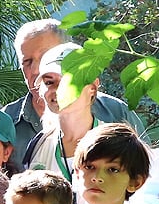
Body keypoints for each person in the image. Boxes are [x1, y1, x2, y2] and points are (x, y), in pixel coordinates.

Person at [5, 18, 144, 167]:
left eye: (47, 57)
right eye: (27, 62)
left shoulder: (116, 112)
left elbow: (148, 175)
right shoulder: (5, 123)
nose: (36, 70)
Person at [20, 42, 100, 180]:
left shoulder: (116, 143)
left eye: (68, 81)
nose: (58, 90)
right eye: (49, 82)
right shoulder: (38, 145)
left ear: (92, 87)